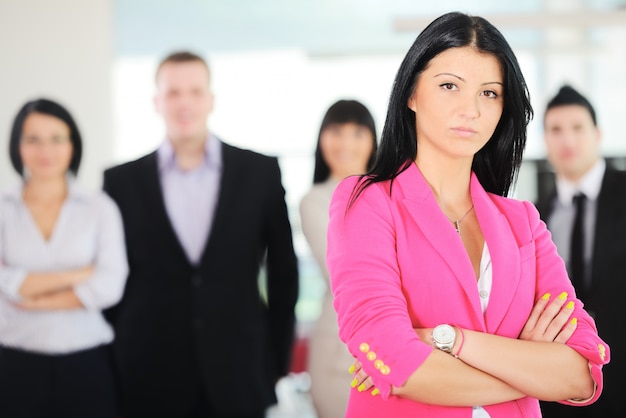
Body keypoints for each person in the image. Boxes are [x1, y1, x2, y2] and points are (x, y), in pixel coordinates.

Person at [326, 12, 609, 418]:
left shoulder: (523, 222)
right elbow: (398, 365)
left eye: (489, 93)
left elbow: (582, 373)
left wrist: (451, 341)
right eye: (448, 86)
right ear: (411, 94)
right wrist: (530, 368)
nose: (471, 110)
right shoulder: (366, 203)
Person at [103, 51, 299, 418]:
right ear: (156, 102)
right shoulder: (120, 183)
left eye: (194, 91)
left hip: (239, 372)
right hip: (146, 373)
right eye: (173, 92)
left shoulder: (260, 173)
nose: (184, 103)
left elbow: (284, 273)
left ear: (211, 99)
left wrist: (275, 359)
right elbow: (111, 278)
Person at [0, 98, 128, 418]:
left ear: (73, 145)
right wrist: (76, 275)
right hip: (14, 362)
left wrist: (32, 295)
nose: (46, 150)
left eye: (57, 138)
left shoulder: (100, 207)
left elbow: (110, 284)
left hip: (87, 362)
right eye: (33, 139)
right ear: (17, 146)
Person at [536, 85, 624, 417]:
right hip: (560, 388)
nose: (567, 141)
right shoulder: (534, 216)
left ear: (598, 133)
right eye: (556, 130)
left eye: (577, 128)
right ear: (545, 140)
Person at [299, 99, 377, 418]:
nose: (346, 142)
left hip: (399, 343)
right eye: (336, 132)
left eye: (357, 132)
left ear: (374, 140)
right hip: (338, 354)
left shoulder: (393, 192)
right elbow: (343, 271)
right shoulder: (315, 201)